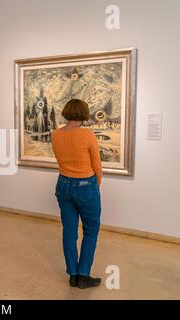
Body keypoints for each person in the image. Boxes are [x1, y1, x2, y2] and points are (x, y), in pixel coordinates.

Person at [51, 99, 102, 289]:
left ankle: (72, 274)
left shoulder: (56, 134)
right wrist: (96, 186)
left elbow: (61, 159)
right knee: (90, 230)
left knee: (69, 231)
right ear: (83, 113)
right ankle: (83, 275)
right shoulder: (87, 134)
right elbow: (97, 165)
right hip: (85, 185)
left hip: (63, 184)